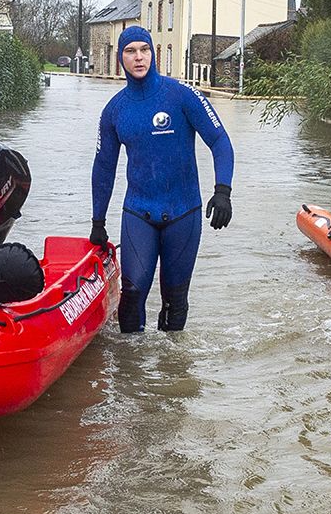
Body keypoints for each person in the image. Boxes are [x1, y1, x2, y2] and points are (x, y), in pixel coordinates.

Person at [89, 25, 235, 333]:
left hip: (183, 211)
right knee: (132, 291)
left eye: (144, 50)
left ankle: (171, 374)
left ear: (153, 54)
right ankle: (131, 370)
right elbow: (104, 167)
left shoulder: (182, 96)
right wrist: (97, 222)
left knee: (175, 298)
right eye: (130, 51)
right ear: (120, 58)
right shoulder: (114, 110)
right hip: (138, 212)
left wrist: (222, 191)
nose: (138, 58)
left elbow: (220, 142)